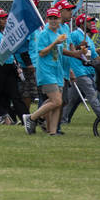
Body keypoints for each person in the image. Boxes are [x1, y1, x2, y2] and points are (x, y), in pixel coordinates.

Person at [23, 8, 67, 136]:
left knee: (57, 103)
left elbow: (60, 53)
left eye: (56, 18)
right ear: (47, 20)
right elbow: (42, 53)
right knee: (56, 101)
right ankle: (32, 118)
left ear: (59, 19)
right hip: (46, 71)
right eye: (51, 18)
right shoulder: (44, 34)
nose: (53, 21)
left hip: (57, 71)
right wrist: (55, 43)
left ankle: (53, 132)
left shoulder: (58, 33)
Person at [60, 13, 100, 125]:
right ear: (82, 23)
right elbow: (70, 48)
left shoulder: (88, 38)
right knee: (93, 96)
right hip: (79, 70)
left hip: (88, 71)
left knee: (73, 99)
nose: (91, 23)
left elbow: (93, 55)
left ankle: (63, 119)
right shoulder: (74, 34)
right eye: (88, 21)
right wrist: (79, 46)